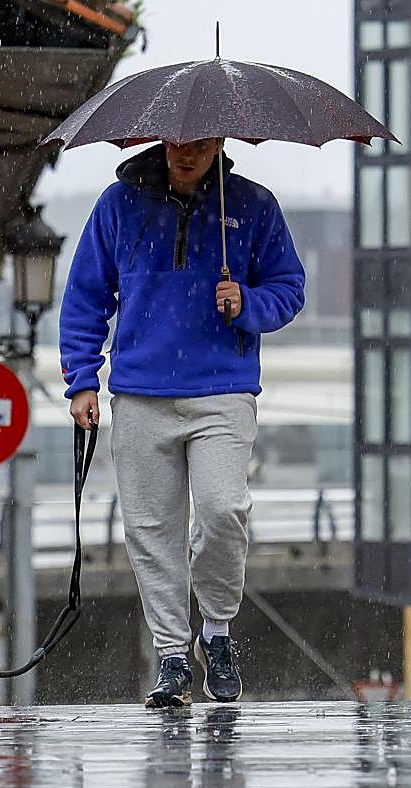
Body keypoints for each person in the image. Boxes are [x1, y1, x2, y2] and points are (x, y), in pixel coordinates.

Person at [58, 137, 305, 707]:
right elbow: (86, 297)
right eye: (177, 143)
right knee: (150, 531)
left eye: (199, 144)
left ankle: (216, 631)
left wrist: (247, 303)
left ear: (219, 141)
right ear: (162, 139)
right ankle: (171, 655)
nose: (186, 153)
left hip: (224, 389)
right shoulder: (118, 204)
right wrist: (82, 380)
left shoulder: (253, 205)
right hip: (140, 392)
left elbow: (289, 288)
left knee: (223, 511)